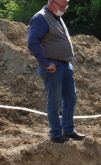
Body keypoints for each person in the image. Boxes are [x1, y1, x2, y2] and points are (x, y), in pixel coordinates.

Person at [27, 0, 85, 143]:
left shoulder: (57, 17)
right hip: (53, 67)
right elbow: (32, 42)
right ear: (53, 4)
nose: (65, 9)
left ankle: (69, 130)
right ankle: (56, 134)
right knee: (55, 101)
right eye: (63, 6)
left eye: (66, 6)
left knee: (71, 97)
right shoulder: (40, 18)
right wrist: (45, 63)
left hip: (65, 65)